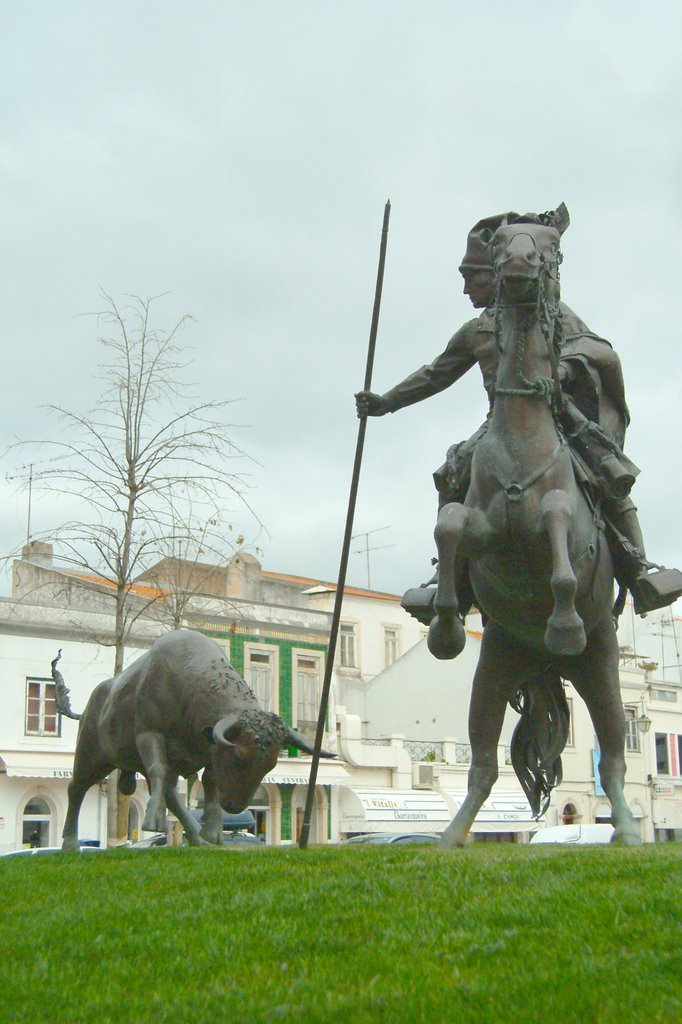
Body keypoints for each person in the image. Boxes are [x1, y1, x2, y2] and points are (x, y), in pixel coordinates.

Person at [356, 208, 680, 618]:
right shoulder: (478, 329)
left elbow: (600, 352)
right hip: (499, 423)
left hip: (559, 417)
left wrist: (563, 370)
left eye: (470, 279)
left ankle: (639, 567)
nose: (465, 291)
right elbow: (436, 374)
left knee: (608, 472)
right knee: (451, 474)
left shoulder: (552, 316)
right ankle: (449, 578)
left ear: (494, 275)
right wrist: (386, 402)